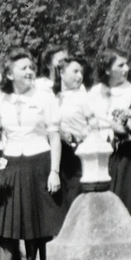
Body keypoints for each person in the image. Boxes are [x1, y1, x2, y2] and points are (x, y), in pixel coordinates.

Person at [0, 51, 62, 260]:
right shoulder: (0, 100)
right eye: (23, 68)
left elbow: (54, 135)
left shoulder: (44, 97)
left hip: (40, 161)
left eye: (31, 67)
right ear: (10, 74)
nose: (30, 72)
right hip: (11, 164)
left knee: (44, 227)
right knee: (7, 228)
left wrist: (54, 171)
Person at [98, 50, 131, 227]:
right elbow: (91, 118)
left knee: (129, 194)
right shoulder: (97, 92)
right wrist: (110, 124)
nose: (126, 68)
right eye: (120, 65)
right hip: (105, 151)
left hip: (129, 151)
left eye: (126, 64)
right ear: (107, 69)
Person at [54, 55, 102, 215]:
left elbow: (94, 125)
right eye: (75, 71)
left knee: (76, 197)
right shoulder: (55, 97)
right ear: (62, 73)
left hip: (77, 153)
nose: (79, 76)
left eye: (80, 72)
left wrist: (81, 136)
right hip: (59, 154)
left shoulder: (83, 97)